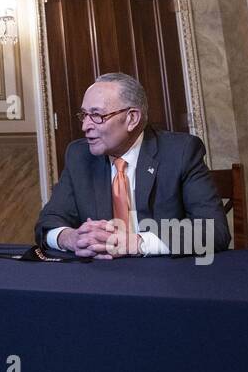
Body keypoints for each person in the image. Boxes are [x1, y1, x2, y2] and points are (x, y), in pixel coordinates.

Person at [36, 72, 230, 258]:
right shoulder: (79, 155)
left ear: (131, 119)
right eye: (84, 115)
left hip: (166, 278)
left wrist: (135, 243)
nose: (85, 126)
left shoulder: (181, 152)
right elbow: (48, 221)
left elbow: (214, 231)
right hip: (100, 276)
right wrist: (70, 238)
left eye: (97, 115)